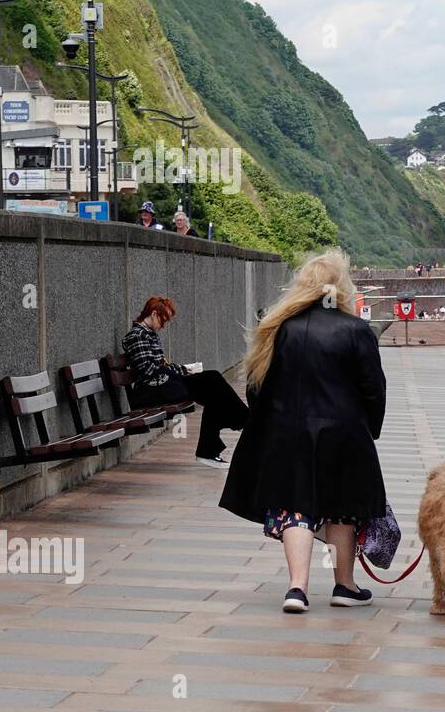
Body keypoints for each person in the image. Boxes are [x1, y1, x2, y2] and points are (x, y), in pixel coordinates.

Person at [218, 249, 387, 614]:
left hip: (288, 432)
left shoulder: (279, 329)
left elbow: (255, 386)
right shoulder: (357, 330)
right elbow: (373, 387)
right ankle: (344, 584)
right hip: (344, 432)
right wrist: (370, 428)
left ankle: (297, 588)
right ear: (340, 287)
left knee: (295, 506)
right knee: (344, 507)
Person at [122, 297, 249, 467]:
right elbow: (148, 371)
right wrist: (178, 370)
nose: (163, 325)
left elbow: (161, 367)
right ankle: (244, 422)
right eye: (163, 320)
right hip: (150, 391)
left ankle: (217, 444)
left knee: (213, 380)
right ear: (153, 314)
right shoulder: (136, 336)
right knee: (212, 385)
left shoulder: (149, 334)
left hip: (163, 384)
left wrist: (181, 369)